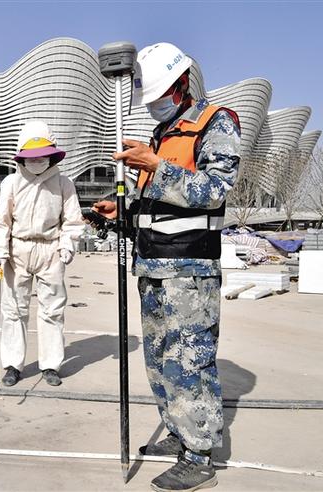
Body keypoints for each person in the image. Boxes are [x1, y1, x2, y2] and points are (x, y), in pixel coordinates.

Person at [93, 43, 240, 492]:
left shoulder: (216, 122)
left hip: (188, 271)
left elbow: (212, 191)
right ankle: (180, 434)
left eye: (159, 93)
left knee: (189, 364)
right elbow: (162, 205)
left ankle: (199, 456)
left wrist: (155, 166)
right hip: (154, 267)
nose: (154, 104)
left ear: (181, 85)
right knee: (161, 364)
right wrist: (125, 213)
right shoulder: (161, 133)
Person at [0, 121, 85, 387]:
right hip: (17, 249)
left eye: (41, 157)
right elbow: (1, 221)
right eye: (30, 158)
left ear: (51, 155)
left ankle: (50, 364)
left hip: (50, 249)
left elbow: (72, 220)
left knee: (53, 310)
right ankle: (12, 364)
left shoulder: (64, 183)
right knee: (13, 309)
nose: (36, 162)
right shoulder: (11, 182)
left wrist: (68, 244)